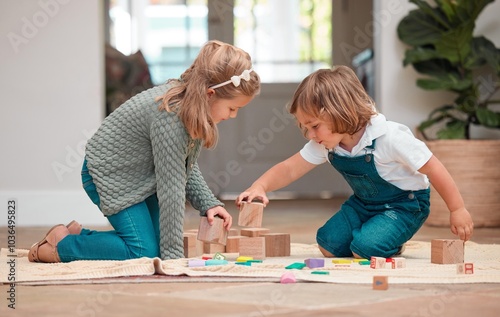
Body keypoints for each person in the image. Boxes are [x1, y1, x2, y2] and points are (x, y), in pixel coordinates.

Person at [29, 40, 261, 263]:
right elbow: (172, 188)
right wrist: (172, 258)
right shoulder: (171, 117)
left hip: (139, 178)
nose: (233, 115)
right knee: (142, 251)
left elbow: (183, 166)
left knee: (155, 245)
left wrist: (208, 203)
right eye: (232, 108)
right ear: (210, 94)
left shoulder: (192, 106)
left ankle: (76, 237)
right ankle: (59, 248)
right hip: (109, 176)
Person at [237, 65, 473, 259]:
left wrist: (457, 209)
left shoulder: (389, 137)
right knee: (327, 244)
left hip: (405, 206)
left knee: (366, 248)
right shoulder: (326, 143)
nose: (311, 135)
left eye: (315, 126)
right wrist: (260, 186)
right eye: (306, 128)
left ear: (340, 112)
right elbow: (289, 169)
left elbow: (433, 166)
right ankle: (372, 233)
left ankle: (390, 241)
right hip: (364, 205)